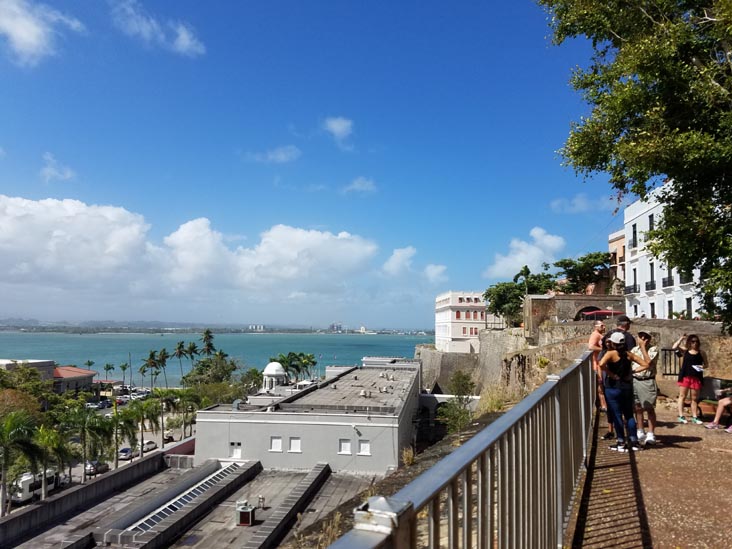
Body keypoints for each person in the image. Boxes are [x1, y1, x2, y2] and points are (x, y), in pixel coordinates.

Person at [599, 331, 649, 452]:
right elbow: (646, 364)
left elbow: (601, 364)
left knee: (617, 416)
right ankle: (634, 441)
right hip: (626, 386)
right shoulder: (628, 354)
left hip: (613, 387)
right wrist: (633, 372)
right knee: (629, 415)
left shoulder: (610, 354)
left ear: (613, 343)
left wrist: (611, 374)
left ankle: (621, 442)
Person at [630, 332, 659, 444]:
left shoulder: (653, 349)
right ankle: (640, 430)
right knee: (637, 407)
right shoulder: (633, 350)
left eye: (645, 337)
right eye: (640, 337)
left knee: (649, 408)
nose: (642, 339)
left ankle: (651, 433)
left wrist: (643, 347)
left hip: (647, 381)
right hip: (635, 380)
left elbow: (648, 362)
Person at [673, 334, 705, 424]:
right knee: (682, 396)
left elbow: (706, 364)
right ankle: (681, 415)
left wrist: (700, 367)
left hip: (696, 377)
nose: (695, 343)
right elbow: (674, 347)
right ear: (689, 342)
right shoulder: (685, 351)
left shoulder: (701, 352)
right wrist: (681, 338)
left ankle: (695, 416)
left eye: (696, 341)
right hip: (685, 376)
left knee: (694, 398)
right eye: (693, 341)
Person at [588, 320, 608, 412]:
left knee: (602, 384)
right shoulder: (595, 335)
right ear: (596, 326)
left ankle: (604, 404)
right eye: (602, 325)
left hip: (601, 364)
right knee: (600, 384)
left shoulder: (600, 335)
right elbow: (591, 346)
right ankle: (603, 405)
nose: (604, 327)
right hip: (597, 364)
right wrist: (603, 350)